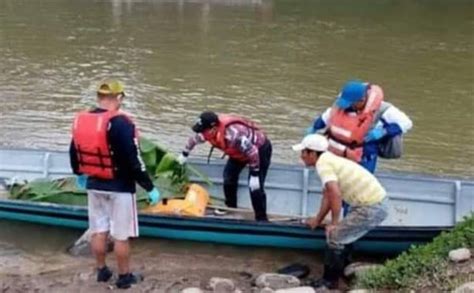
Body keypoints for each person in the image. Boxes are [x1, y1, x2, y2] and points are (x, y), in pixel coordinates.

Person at [69, 80, 161, 289]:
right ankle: (124, 276)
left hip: (93, 184)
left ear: (99, 97)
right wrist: (149, 187)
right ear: (118, 98)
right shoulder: (121, 123)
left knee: (98, 230)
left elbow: (74, 151)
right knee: (121, 235)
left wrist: (79, 173)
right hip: (119, 188)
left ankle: (102, 271)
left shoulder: (83, 120)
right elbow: (134, 159)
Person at [292, 134, 388, 289]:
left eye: (303, 152)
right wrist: (318, 219)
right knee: (344, 235)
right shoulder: (327, 159)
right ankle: (345, 271)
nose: (301, 156)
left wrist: (334, 223)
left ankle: (330, 281)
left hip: (371, 206)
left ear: (312, 153)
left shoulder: (323, 165)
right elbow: (328, 196)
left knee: (335, 237)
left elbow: (335, 194)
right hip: (372, 203)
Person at [177, 111, 272, 221]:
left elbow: (253, 152)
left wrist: (255, 174)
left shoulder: (233, 136)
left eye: (204, 131)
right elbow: (194, 140)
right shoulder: (207, 133)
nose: (202, 134)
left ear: (213, 128)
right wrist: (184, 154)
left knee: (255, 187)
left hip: (259, 150)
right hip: (239, 153)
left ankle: (261, 219)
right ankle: (231, 208)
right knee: (228, 177)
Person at [306, 80, 412, 173]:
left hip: (363, 156)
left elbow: (406, 123)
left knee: (360, 185)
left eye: (349, 104)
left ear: (361, 100)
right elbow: (327, 116)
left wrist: (383, 131)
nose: (345, 107)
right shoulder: (342, 102)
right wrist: (314, 128)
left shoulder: (382, 109)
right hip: (336, 152)